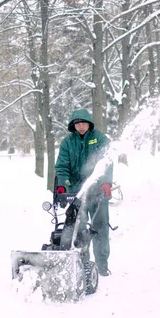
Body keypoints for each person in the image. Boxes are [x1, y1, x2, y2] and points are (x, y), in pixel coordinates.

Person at [55, 108, 113, 276]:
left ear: (89, 124)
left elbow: (107, 163)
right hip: (76, 193)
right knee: (78, 230)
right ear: (73, 126)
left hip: (97, 192)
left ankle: (102, 265)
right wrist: (62, 185)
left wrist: (106, 183)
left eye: (83, 123)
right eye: (77, 124)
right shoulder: (68, 143)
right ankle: (83, 265)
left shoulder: (100, 139)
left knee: (100, 227)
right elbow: (62, 166)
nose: (81, 126)